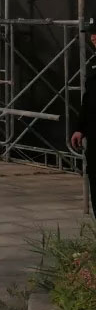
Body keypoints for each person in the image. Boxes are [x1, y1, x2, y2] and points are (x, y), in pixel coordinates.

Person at [70, 17, 96, 218]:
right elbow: (88, 100)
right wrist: (80, 128)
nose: (93, 38)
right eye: (92, 34)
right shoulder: (94, 64)